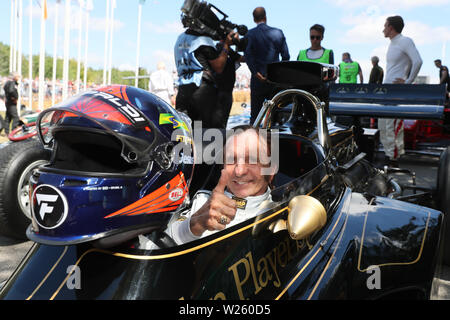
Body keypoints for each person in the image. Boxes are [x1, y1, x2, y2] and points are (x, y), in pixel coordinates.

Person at [140, 125, 276, 247]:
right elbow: (150, 249)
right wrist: (195, 225)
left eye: (252, 160)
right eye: (231, 159)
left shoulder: (283, 211)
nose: (239, 171)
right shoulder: (202, 203)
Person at [174, 19, 234, 128]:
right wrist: (226, 46)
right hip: (201, 89)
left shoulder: (180, 38)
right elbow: (219, 67)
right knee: (209, 132)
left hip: (183, 88)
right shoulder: (202, 40)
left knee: (183, 129)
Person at [380, 15, 422, 167]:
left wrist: (408, 81)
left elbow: (418, 61)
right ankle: (388, 154)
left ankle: (393, 159)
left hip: (397, 90)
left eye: (385, 26)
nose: (383, 29)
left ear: (391, 27)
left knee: (392, 124)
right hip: (387, 89)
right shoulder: (393, 43)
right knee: (383, 124)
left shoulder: (405, 41)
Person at [244, 7, 290, 124]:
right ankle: (274, 141)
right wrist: (279, 74)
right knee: (275, 114)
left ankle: (255, 140)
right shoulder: (278, 33)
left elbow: (248, 56)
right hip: (274, 79)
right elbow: (286, 56)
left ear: (254, 19)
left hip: (257, 79)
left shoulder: (250, 34)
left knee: (255, 116)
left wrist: (256, 72)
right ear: (265, 17)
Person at [214, 36, 244, 129]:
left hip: (223, 90)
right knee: (220, 122)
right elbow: (243, 59)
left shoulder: (224, 49)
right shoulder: (221, 48)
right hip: (222, 91)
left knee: (220, 122)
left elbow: (241, 59)